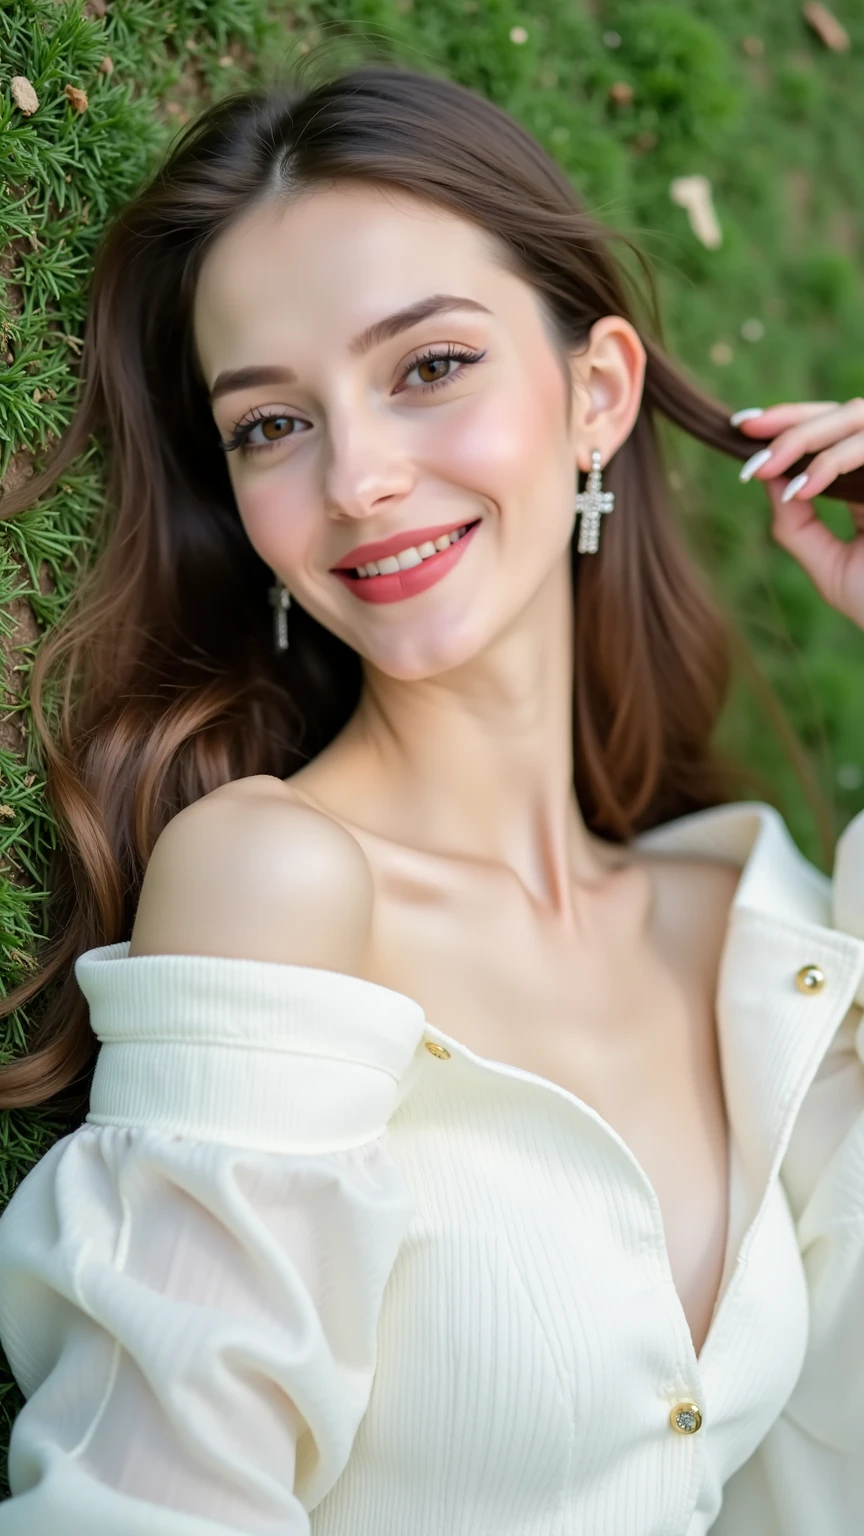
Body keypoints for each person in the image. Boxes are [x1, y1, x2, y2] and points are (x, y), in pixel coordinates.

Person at [0, 59, 863, 1536]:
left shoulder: (754, 916)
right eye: (273, 424)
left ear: (596, 393)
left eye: (429, 367)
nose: (360, 480)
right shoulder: (273, 883)